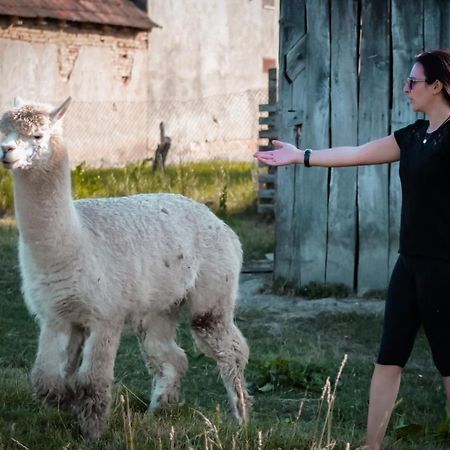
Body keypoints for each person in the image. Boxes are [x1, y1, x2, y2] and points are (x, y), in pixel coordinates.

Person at [254, 49, 450, 450]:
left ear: (437, 86)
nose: (405, 88)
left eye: (412, 81)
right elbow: (357, 153)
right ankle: (371, 445)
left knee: (449, 365)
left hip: (445, 268)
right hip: (410, 264)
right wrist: (301, 156)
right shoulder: (413, 137)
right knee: (388, 357)